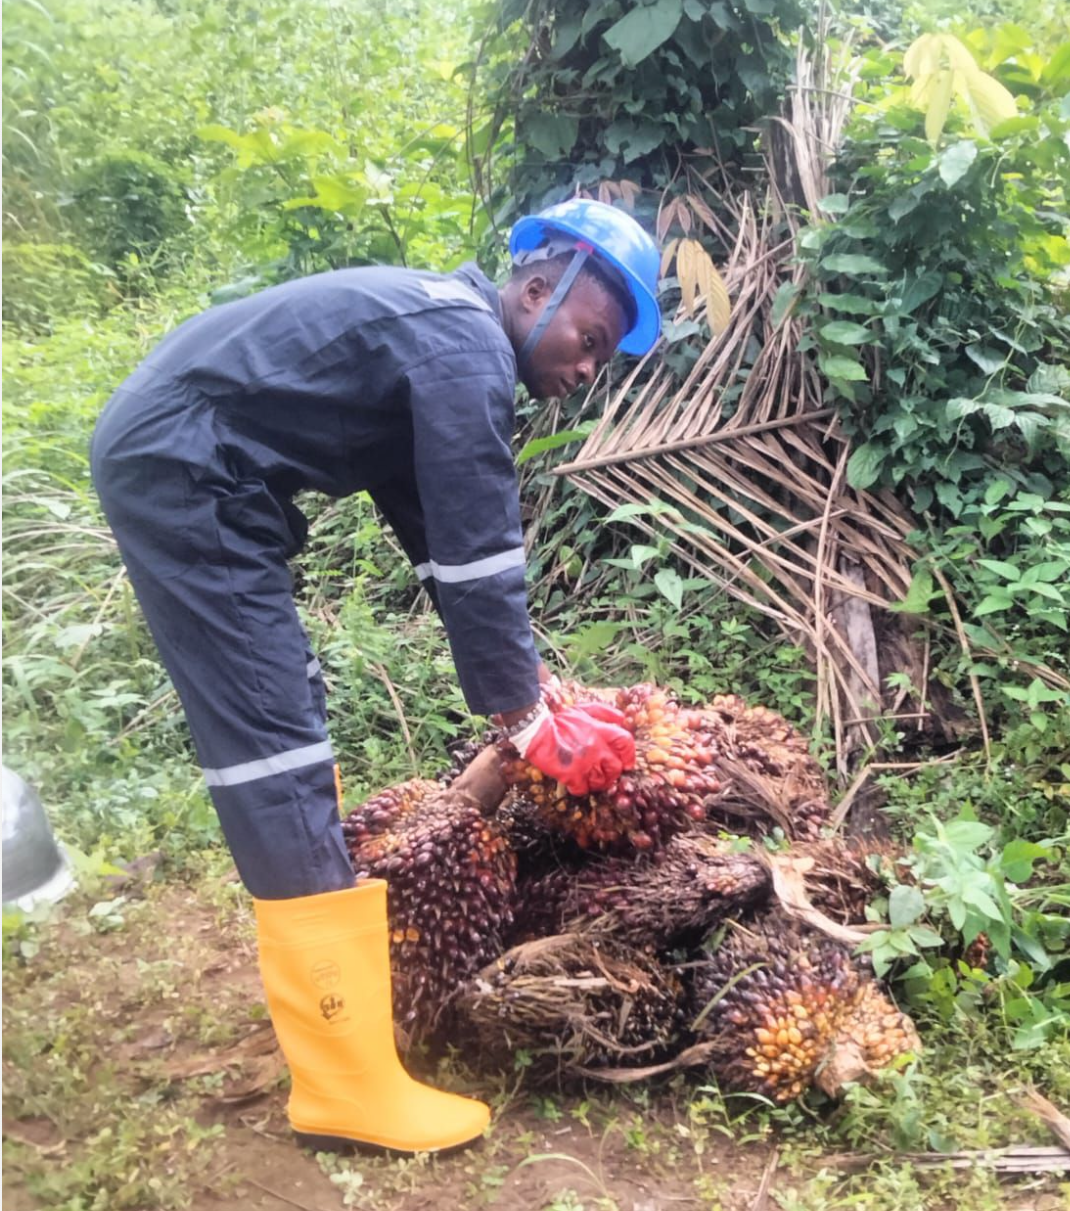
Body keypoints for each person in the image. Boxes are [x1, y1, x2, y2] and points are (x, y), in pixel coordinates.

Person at [90, 199, 662, 1156]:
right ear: (535, 289)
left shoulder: (437, 335)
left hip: (188, 460)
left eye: (604, 357)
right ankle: (344, 1086)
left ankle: (339, 1044)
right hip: (186, 465)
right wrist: (523, 716)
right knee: (272, 747)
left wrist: (533, 690)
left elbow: (445, 548)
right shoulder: (461, 344)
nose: (587, 367)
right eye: (589, 337)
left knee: (284, 723)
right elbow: (483, 551)